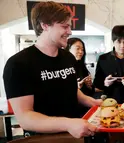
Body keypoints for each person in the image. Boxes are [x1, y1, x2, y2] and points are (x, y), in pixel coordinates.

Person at [3, 1, 101, 138]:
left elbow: (71, 90)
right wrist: (68, 124)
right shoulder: (18, 64)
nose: (70, 32)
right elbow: (25, 117)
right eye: (64, 26)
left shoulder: (68, 57)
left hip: (75, 134)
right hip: (43, 138)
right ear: (45, 25)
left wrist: (93, 102)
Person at [93, 25, 124, 103]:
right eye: (119, 42)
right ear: (113, 41)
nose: (122, 45)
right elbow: (97, 85)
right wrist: (105, 83)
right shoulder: (103, 59)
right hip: (108, 101)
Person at [66, 37, 95, 117]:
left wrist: (89, 86)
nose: (81, 52)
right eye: (78, 48)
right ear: (68, 49)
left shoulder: (82, 67)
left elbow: (90, 93)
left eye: (82, 49)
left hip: (84, 110)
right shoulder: (63, 68)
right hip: (69, 111)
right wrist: (76, 87)